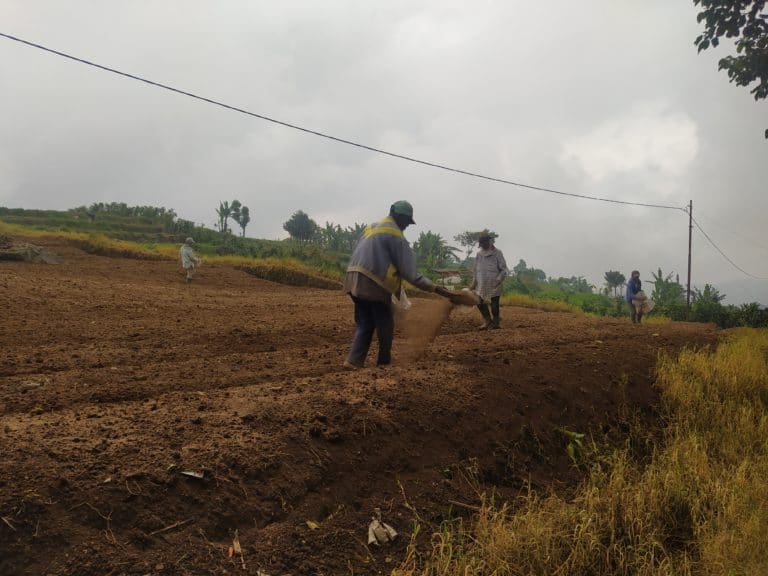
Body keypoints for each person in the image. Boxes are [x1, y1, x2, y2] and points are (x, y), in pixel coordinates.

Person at [343, 201, 435, 368]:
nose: (407, 226)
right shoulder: (396, 235)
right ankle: (384, 362)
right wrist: (434, 288)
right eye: (407, 222)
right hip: (372, 281)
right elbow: (412, 275)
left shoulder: (372, 227)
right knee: (385, 322)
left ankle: (353, 361)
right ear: (399, 216)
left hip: (352, 278)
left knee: (365, 322)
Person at [470, 231, 508, 330]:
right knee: (479, 302)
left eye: (484, 244)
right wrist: (474, 283)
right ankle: (487, 321)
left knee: (494, 304)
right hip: (481, 282)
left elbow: (504, 269)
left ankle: (496, 323)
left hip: (494, 282)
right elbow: (476, 269)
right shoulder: (479, 254)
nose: (482, 246)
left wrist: (498, 280)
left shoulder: (497, 253)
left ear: (489, 242)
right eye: (481, 244)